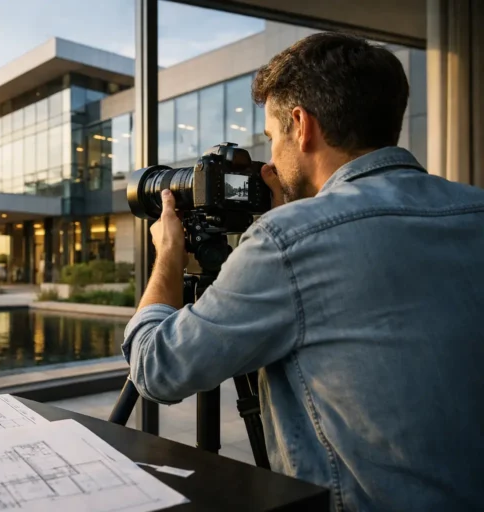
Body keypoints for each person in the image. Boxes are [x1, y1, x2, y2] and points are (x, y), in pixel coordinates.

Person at [122, 32, 484, 511]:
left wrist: (169, 253)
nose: (270, 161)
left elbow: (156, 369)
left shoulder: (287, 240)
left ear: (301, 125)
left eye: (272, 137)